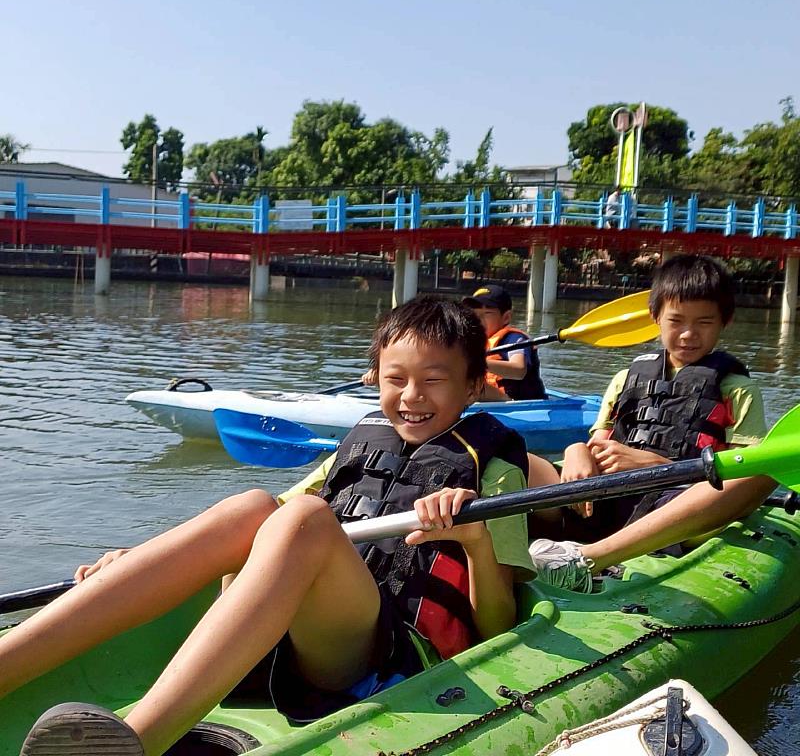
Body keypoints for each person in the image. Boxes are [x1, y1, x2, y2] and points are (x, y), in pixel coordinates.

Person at [5, 297, 542, 756]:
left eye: (434, 381)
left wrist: (473, 538)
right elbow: (263, 524)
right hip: (299, 634)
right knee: (252, 505)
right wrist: (141, 557)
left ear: (474, 386)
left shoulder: (491, 468)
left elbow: (497, 626)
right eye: (396, 379)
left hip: (389, 654)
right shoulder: (362, 443)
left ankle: (139, 739)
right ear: (372, 377)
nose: (411, 397)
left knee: (305, 517)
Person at [529, 254, 773, 592]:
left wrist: (659, 465)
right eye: (676, 321)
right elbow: (599, 443)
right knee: (516, 456)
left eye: (704, 322)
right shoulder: (625, 378)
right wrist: (575, 450)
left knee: (760, 471)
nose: (688, 334)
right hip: (607, 498)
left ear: (724, 322)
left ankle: (587, 559)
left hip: (677, 507)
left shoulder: (738, 390)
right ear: (654, 317)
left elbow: (737, 473)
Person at [462, 284, 547, 401]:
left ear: (506, 317)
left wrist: (477, 363)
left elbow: (519, 370)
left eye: (487, 313)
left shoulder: (515, 339)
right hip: (491, 398)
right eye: (475, 314)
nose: (479, 319)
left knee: (471, 387)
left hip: (517, 402)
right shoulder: (473, 340)